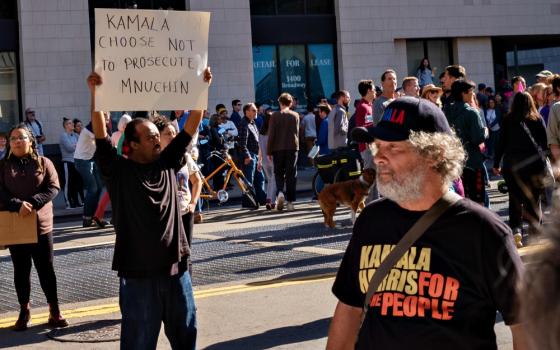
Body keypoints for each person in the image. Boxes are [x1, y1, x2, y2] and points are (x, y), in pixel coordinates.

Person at [326, 96, 527, 350]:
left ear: (434, 155)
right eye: (377, 147)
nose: (378, 158)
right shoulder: (371, 222)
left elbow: (525, 324)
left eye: (393, 148)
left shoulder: (483, 230)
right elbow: (349, 308)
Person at [87, 67, 211, 349]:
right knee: (139, 344)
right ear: (131, 144)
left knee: (186, 339)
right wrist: (96, 95)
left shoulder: (167, 162)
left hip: (177, 273)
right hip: (138, 278)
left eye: (158, 134)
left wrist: (201, 88)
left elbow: (191, 125)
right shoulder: (117, 170)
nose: (157, 139)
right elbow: (101, 135)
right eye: (150, 136)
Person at [0, 124, 68, 331]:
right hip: (16, 224)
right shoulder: (2, 166)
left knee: (46, 269)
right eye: (13, 139)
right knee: (21, 270)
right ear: (9, 144)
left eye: (21, 137)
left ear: (31, 140)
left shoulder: (44, 162)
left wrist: (33, 202)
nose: (17, 141)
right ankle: (24, 311)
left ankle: (54, 311)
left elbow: (53, 187)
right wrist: (16, 204)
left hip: (41, 225)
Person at [493, 92, 548, 248]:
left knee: (515, 200)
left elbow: (501, 144)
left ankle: (516, 230)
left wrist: (496, 164)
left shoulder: (508, 120)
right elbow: (544, 144)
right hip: (534, 166)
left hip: (512, 166)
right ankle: (535, 234)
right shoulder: (537, 119)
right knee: (534, 200)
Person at [154, 115, 202, 274]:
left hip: (184, 211)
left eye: (174, 133)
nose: (172, 136)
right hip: (166, 216)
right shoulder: (155, 160)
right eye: (168, 133)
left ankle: (186, 288)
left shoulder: (185, 157)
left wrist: (193, 203)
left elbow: (197, 181)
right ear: (158, 137)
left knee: (185, 254)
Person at [444, 79, 487, 206]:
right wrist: (485, 132)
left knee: (459, 200)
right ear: (463, 93)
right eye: (470, 91)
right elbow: (477, 138)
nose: (472, 94)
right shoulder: (472, 112)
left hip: (454, 162)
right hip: (472, 161)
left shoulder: (446, 110)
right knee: (477, 201)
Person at [73, 113, 109, 228]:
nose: (107, 118)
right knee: (93, 188)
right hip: (82, 161)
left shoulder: (95, 127)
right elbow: (104, 140)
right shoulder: (90, 130)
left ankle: (95, 216)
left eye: (107, 116)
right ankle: (86, 218)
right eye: (105, 116)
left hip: (90, 159)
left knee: (99, 187)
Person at [266, 92, 300, 211]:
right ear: (290, 103)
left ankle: (280, 192)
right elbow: (297, 133)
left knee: (278, 173)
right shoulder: (295, 115)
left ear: (280, 102)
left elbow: (271, 135)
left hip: (277, 148)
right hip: (292, 147)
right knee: (291, 175)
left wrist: (269, 151)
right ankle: (290, 202)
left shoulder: (274, 116)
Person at [238, 102, 266, 207]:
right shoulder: (243, 123)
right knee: (248, 181)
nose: (256, 112)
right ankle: (248, 202)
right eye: (253, 110)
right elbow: (242, 143)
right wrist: (247, 156)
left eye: (256, 110)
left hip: (256, 154)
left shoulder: (252, 122)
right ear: (247, 112)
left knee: (260, 178)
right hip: (249, 155)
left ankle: (262, 199)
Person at [59, 117, 83, 209]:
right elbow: (69, 148)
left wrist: (76, 145)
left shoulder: (75, 135)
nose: (72, 124)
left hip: (76, 161)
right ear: (65, 126)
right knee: (68, 184)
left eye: (72, 123)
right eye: (69, 123)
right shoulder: (63, 135)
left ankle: (76, 202)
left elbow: (82, 145)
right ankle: (68, 203)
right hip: (67, 162)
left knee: (76, 183)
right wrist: (76, 145)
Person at [258, 107, 276, 210]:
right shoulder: (273, 132)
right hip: (272, 158)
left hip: (264, 160)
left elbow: (260, 148)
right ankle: (271, 200)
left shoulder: (261, 133)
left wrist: (259, 161)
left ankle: (269, 199)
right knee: (274, 180)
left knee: (270, 180)